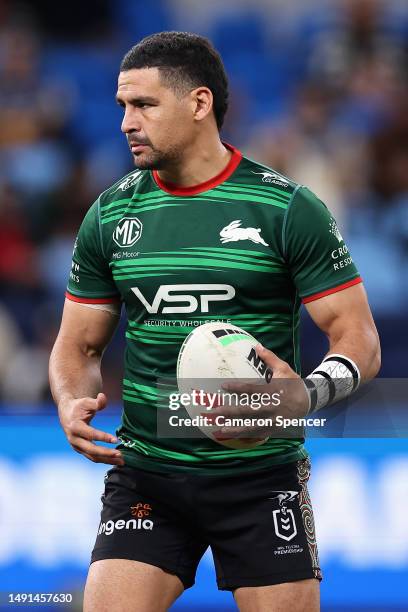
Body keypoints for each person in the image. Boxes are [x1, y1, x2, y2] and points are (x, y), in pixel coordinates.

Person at [49, 31, 381, 612]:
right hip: (147, 474)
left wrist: (306, 392)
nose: (127, 121)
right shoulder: (109, 215)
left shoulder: (285, 209)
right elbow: (76, 346)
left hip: (260, 478)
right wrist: (70, 399)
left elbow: (359, 339)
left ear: (199, 104)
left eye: (144, 105)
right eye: (123, 106)